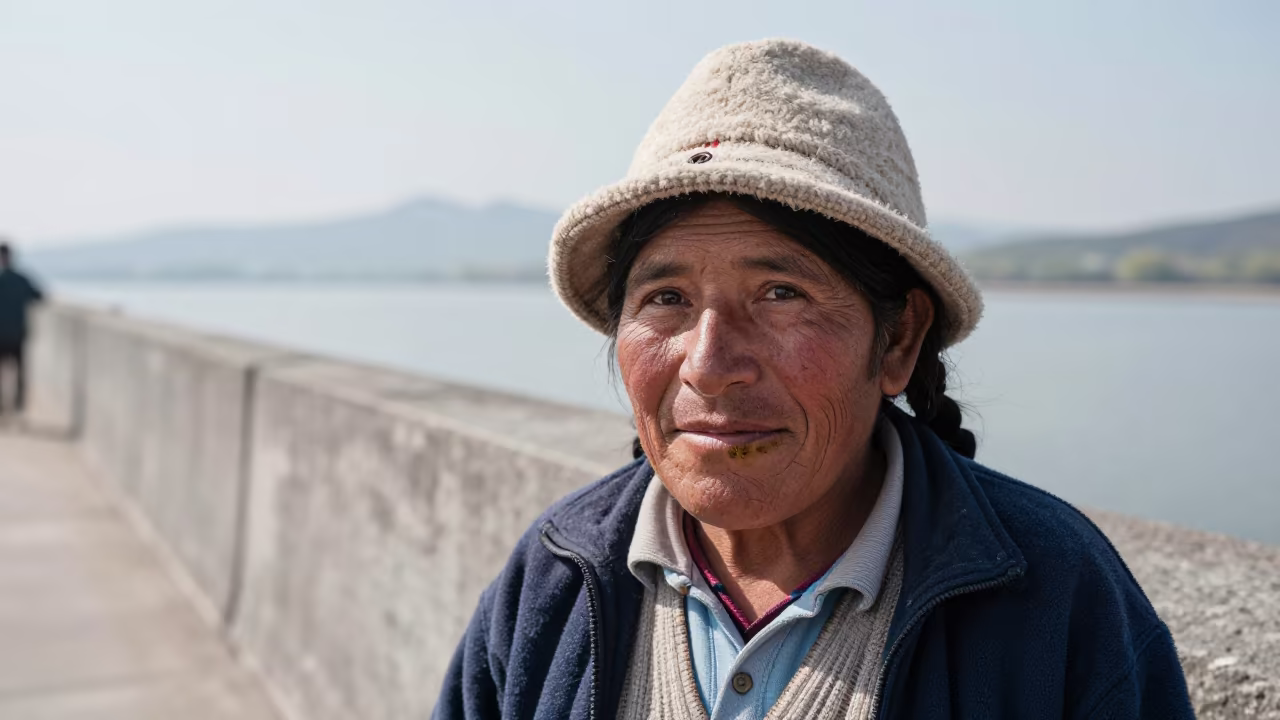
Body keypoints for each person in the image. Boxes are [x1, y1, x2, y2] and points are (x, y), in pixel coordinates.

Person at [434, 40, 1193, 719]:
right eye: (666, 299)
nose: (709, 366)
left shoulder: (1055, 599)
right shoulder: (560, 573)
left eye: (780, 294)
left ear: (898, 339)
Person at [0, 242, 45, 415]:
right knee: (19, 370)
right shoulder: (21, 279)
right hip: (18, 333)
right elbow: (39, 296)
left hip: (3, 334)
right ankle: (18, 404)